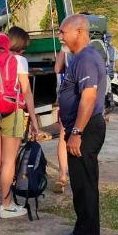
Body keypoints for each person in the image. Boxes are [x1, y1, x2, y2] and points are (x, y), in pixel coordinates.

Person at [57, 14, 107, 235]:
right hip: (80, 129)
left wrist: (76, 131)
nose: (60, 36)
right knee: (80, 183)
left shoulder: (86, 59)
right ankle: (81, 230)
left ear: (78, 32)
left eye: (63, 31)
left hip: (85, 130)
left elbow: (88, 98)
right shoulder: (79, 58)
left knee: (85, 184)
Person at [0, 26, 40, 218]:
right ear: (21, 45)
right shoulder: (19, 60)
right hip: (12, 112)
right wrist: (34, 120)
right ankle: (6, 205)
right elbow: (26, 93)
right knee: (8, 162)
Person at [52, 45, 70, 193]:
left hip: (67, 99)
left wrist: (64, 49)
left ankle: (63, 175)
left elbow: (57, 69)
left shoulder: (66, 50)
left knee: (63, 137)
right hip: (79, 100)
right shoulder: (86, 49)